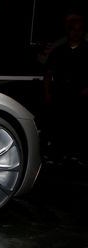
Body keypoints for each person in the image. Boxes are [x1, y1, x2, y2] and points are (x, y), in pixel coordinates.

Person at [43, 14, 88, 162]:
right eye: (73, 29)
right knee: (57, 124)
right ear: (68, 31)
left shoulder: (87, 50)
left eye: (80, 29)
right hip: (59, 92)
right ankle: (56, 154)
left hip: (78, 93)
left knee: (76, 125)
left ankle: (75, 155)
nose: (76, 32)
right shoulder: (58, 51)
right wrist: (47, 92)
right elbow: (48, 73)